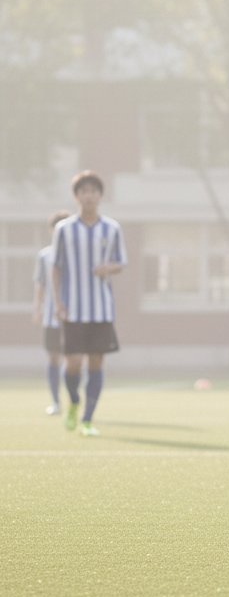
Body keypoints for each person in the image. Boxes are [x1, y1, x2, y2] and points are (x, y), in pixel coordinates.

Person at [51, 172, 127, 437]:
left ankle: (87, 419)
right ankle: (73, 401)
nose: (89, 195)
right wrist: (57, 301)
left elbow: (121, 262)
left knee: (96, 363)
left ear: (100, 195)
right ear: (76, 195)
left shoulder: (112, 228)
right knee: (73, 363)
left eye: (94, 191)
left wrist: (110, 267)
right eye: (84, 191)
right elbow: (56, 267)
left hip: (101, 309)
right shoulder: (64, 229)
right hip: (73, 308)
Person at [33, 210, 72, 415]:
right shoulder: (45, 255)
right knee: (53, 358)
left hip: (74, 315)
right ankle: (56, 402)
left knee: (73, 360)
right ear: (51, 231)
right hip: (51, 316)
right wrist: (37, 309)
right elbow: (40, 284)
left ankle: (73, 398)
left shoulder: (76, 254)